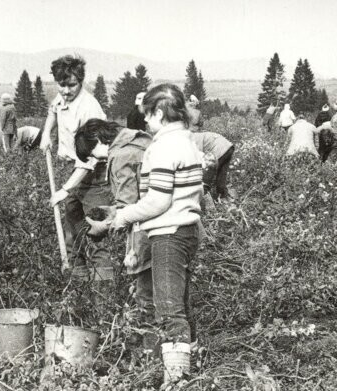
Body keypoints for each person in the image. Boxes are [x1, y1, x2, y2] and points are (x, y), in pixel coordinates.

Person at [109, 83, 203, 383]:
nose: (145, 122)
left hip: (168, 236)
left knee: (168, 309)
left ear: (159, 113)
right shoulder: (188, 142)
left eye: (148, 115)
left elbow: (158, 201)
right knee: (181, 303)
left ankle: (176, 379)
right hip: (187, 230)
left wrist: (123, 216)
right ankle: (190, 367)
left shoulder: (162, 147)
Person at [73, 119, 154, 350]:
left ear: (99, 140)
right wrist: (111, 211)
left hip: (147, 232)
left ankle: (148, 353)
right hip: (174, 227)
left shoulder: (119, 156)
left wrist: (104, 227)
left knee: (146, 294)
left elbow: (129, 206)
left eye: (94, 153)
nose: (97, 159)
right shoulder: (139, 139)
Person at [41, 54, 112, 280]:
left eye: (71, 85)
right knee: (73, 225)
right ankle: (78, 280)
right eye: (61, 84)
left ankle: (104, 294)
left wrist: (65, 189)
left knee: (97, 229)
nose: (66, 90)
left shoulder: (89, 108)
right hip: (72, 170)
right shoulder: (61, 98)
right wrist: (46, 134)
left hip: (95, 175)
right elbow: (53, 110)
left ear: (81, 81)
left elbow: (89, 160)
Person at [190, 132, 234, 201]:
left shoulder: (192, 139)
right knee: (221, 174)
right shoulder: (197, 135)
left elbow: (199, 157)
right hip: (229, 147)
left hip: (219, 149)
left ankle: (204, 199)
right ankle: (223, 196)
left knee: (206, 177)